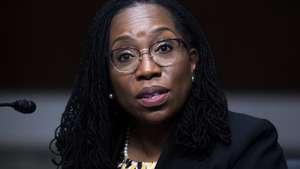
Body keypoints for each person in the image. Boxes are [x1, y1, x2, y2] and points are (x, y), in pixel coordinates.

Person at [50, 0, 287, 169]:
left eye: (164, 48)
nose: (147, 70)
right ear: (105, 76)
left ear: (192, 61)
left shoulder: (248, 143)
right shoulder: (91, 149)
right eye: (125, 56)